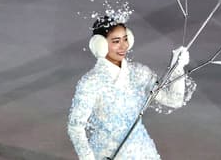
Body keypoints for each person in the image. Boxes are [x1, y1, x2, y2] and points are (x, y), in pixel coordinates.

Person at [66, 15, 193, 160]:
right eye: (116, 41)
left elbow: (173, 100)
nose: (123, 46)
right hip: (108, 155)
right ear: (99, 45)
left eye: (125, 39)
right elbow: (75, 127)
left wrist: (178, 68)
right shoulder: (91, 82)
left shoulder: (139, 73)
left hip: (144, 152)